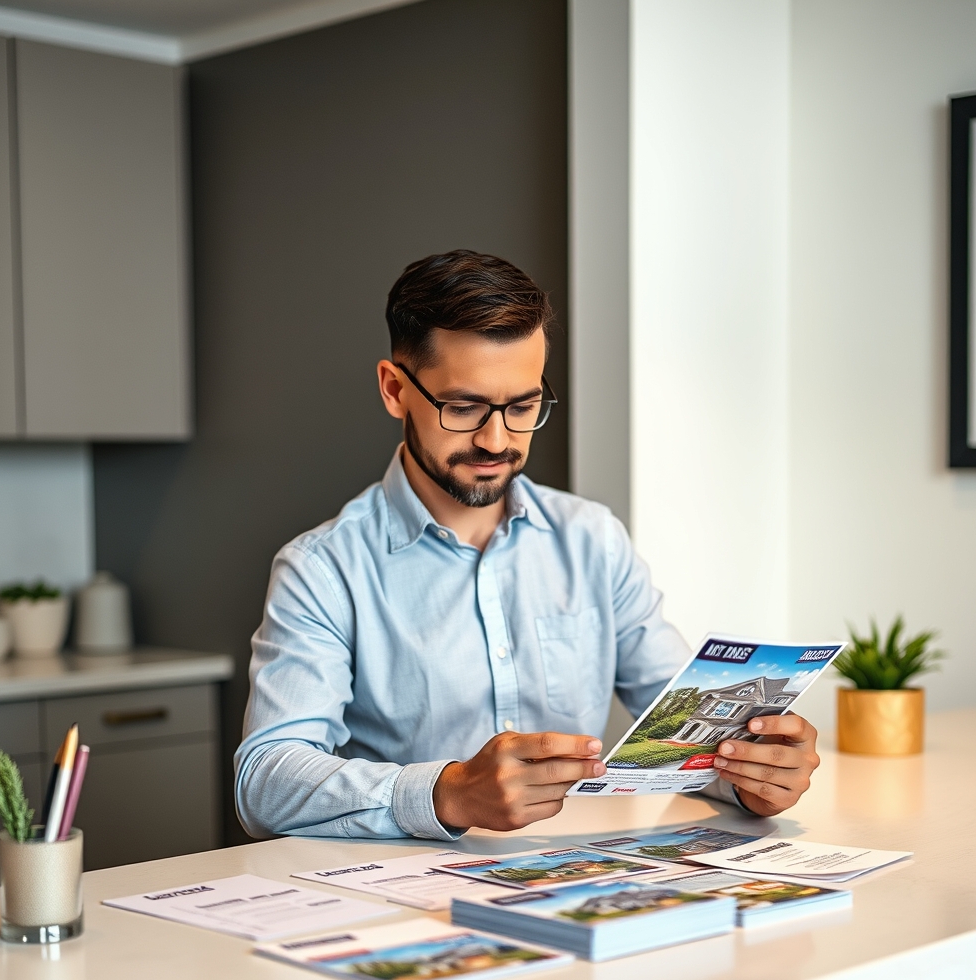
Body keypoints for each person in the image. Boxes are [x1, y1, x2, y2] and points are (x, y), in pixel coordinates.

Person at [235, 250, 820, 841]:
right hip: (402, 898)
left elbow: (681, 730)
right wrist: (448, 794)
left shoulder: (593, 540)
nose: (496, 440)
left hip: (572, 875)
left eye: (522, 407)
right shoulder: (322, 569)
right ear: (394, 390)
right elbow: (265, 781)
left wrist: (751, 774)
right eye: (462, 407)